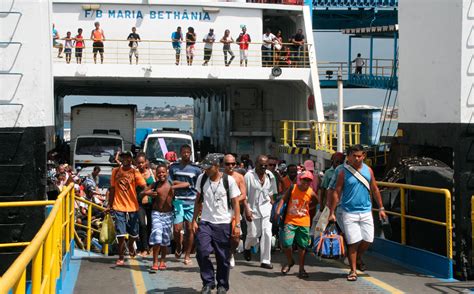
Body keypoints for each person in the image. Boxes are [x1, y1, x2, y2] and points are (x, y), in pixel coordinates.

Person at [328, 144, 387, 282]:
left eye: (359, 156)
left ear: (364, 156)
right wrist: (332, 211)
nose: (357, 158)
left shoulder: (368, 170)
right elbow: (336, 191)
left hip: (366, 211)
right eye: (354, 156)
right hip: (348, 212)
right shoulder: (343, 171)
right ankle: (353, 270)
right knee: (353, 242)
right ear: (348, 156)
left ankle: (357, 257)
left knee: (367, 239)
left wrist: (381, 208)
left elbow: (375, 189)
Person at [192, 154, 241, 294]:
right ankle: (208, 282)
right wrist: (194, 220)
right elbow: (198, 201)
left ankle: (222, 285)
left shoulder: (228, 180)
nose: (206, 170)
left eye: (208, 168)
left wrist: (236, 225)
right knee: (202, 252)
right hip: (206, 222)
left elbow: (236, 203)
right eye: (205, 168)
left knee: (223, 257)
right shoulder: (202, 179)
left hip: (223, 223)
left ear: (216, 166)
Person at [106, 151, 147, 266]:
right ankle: (121, 256)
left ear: (131, 159)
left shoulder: (135, 172)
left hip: (133, 206)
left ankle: (130, 245)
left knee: (134, 233)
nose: (126, 160)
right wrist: (109, 205)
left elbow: (144, 186)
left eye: (128, 158)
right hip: (118, 206)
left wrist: (144, 195)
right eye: (123, 157)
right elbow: (112, 189)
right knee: (121, 233)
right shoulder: (115, 172)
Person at [276, 171, 318, 278]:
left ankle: (301, 269)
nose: (306, 182)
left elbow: (317, 201)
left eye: (309, 181)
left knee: (302, 246)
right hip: (290, 221)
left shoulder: (310, 192)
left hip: (304, 222)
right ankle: (290, 261)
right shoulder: (293, 188)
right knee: (286, 243)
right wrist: (278, 210)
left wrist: (309, 208)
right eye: (304, 180)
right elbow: (283, 199)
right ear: (300, 179)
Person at [169, 144, 202, 265]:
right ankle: (178, 246)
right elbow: (169, 183)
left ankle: (187, 255)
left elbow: (199, 187)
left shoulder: (196, 169)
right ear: (180, 153)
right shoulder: (174, 167)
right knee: (177, 229)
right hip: (178, 201)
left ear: (191, 153)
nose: (186, 154)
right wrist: (179, 183)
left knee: (190, 229)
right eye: (184, 152)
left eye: (188, 152)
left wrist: (200, 204)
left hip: (192, 202)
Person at [242, 155, 277, 269]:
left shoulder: (270, 176)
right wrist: (247, 209)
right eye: (261, 165)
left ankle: (265, 260)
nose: (263, 167)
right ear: (256, 164)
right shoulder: (249, 176)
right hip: (252, 209)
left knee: (267, 233)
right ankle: (247, 248)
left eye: (265, 165)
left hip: (266, 208)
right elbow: (244, 195)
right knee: (253, 235)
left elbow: (271, 193)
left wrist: (273, 206)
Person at [142, 164, 174, 272]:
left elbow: (186, 184)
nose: (161, 174)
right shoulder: (154, 185)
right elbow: (142, 193)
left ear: (167, 173)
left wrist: (175, 188)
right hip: (156, 214)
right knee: (157, 237)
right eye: (159, 172)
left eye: (163, 172)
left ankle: (162, 261)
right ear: (156, 174)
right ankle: (155, 261)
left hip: (168, 215)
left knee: (165, 240)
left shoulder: (171, 184)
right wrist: (148, 193)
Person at [223, 154, 247, 268]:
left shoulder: (239, 177)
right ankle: (223, 256)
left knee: (236, 237)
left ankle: (231, 253)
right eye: (228, 164)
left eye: (233, 164)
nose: (230, 166)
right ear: (223, 165)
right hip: (221, 210)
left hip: (235, 210)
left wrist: (234, 200)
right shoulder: (219, 176)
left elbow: (244, 194)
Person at [136, 153, 155, 257]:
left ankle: (151, 247)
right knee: (142, 225)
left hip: (152, 203)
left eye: (142, 162)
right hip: (139, 204)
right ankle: (144, 248)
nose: (141, 165)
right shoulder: (134, 174)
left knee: (151, 225)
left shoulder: (153, 173)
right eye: (139, 163)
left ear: (146, 162)